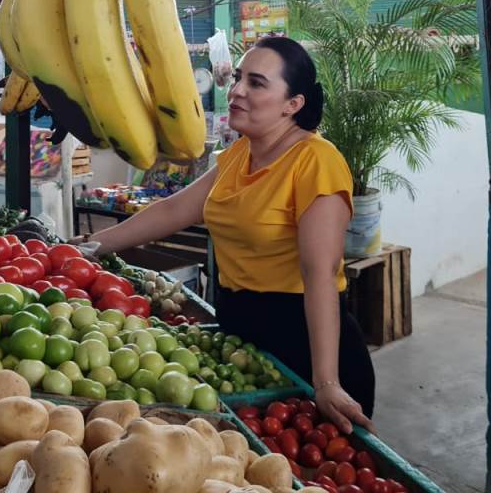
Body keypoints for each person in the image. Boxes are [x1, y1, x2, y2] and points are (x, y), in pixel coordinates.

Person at [88, 36, 375, 432]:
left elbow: (319, 274)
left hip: (303, 342)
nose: (237, 90)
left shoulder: (316, 162)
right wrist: (88, 248)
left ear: (294, 104)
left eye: (256, 83)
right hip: (242, 336)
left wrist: (326, 382)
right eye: (238, 78)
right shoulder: (242, 152)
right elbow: (175, 210)